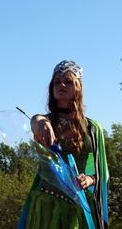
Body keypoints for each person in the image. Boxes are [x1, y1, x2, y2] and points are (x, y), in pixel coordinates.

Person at [18, 60, 109, 229]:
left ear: (78, 86)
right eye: (57, 81)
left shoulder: (93, 129)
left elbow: (99, 171)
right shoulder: (47, 122)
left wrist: (88, 179)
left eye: (68, 81)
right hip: (46, 207)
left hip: (78, 209)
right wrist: (40, 122)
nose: (61, 85)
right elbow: (35, 121)